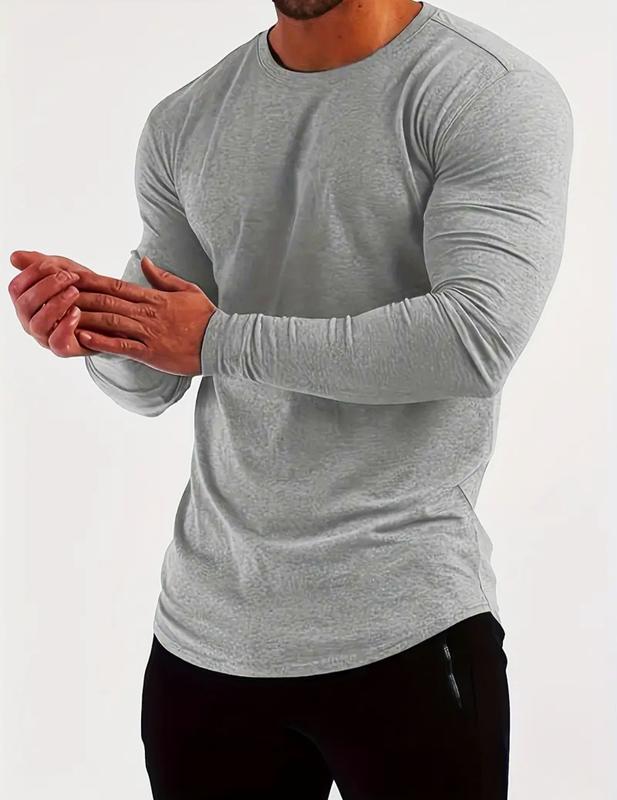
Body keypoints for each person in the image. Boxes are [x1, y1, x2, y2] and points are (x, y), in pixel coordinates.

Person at [8, 0, 573, 797]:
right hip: (204, 641)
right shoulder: (187, 119)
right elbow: (153, 383)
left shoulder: (485, 89)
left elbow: (472, 339)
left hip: (404, 627)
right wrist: (92, 327)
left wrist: (216, 341)